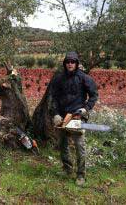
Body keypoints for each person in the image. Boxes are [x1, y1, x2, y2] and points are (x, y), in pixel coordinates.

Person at [51, 51, 98, 186]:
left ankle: (81, 175)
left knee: (79, 146)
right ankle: (67, 168)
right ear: (64, 63)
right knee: (63, 144)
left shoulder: (84, 78)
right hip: (62, 116)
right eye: (68, 62)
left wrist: (86, 108)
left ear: (76, 63)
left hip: (77, 115)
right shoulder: (59, 78)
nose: (70, 64)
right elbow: (53, 97)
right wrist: (55, 113)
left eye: (72, 62)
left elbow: (94, 95)